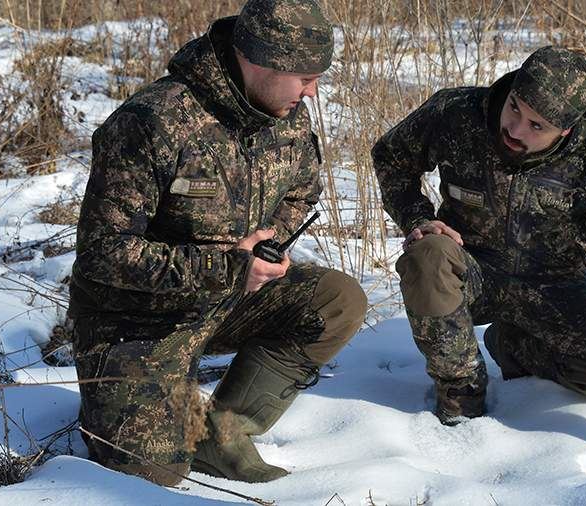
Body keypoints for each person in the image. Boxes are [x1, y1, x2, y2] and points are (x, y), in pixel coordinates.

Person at [69, 0, 367, 486]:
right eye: (304, 76)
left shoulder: (286, 115)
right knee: (156, 475)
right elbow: (104, 253)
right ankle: (120, 406)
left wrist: (269, 245)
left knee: (337, 301)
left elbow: (301, 190)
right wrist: (225, 268)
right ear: (259, 60)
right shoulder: (152, 123)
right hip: (136, 320)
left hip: (230, 299)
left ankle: (223, 429)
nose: (312, 92)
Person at [373, 46, 586, 458]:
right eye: (514, 108)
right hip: (468, 268)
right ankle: (461, 396)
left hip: (554, 285)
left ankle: (510, 344)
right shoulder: (457, 112)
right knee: (428, 254)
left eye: (536, 125)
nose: (515, 128)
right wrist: (417, 216)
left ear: (564, 131)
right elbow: (391, 156)